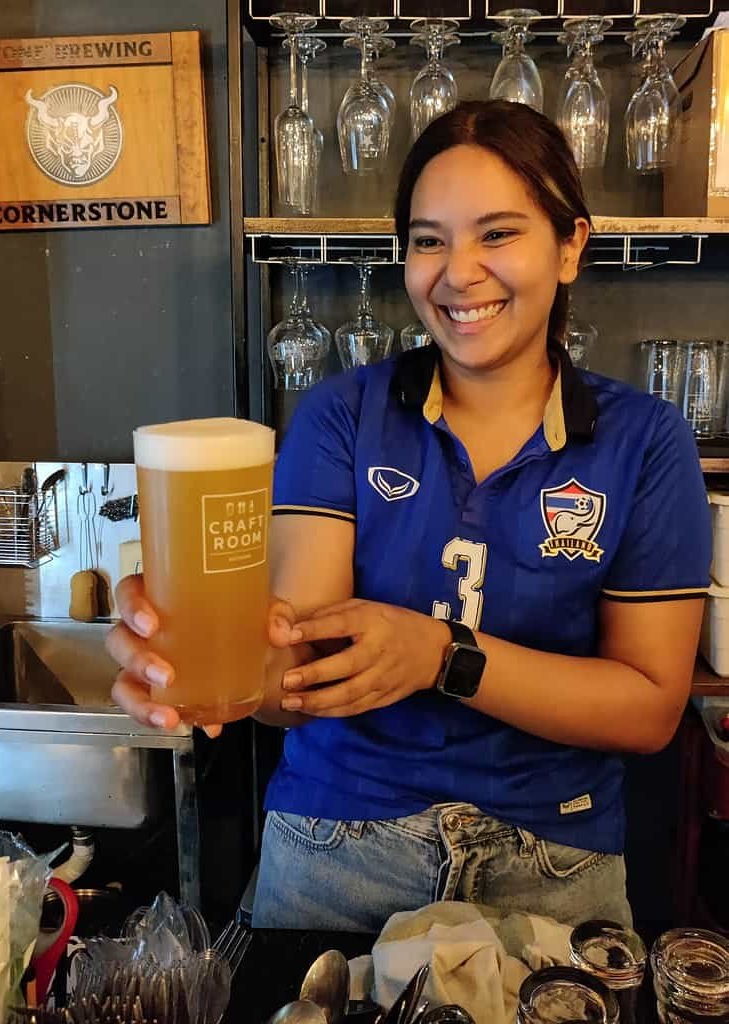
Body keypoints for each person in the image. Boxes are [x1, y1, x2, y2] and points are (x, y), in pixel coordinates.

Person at [108, 100, 711, 933]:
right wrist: (207, 669)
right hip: (336, 839)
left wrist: (442, 656)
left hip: (554, 853)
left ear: (571, 246)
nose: (458, 272)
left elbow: (648, 710)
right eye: (429, 240)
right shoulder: (342, 416)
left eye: (498, 234)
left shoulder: (646, 441)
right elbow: (297, 675)